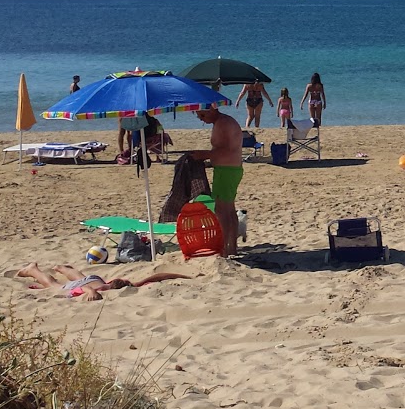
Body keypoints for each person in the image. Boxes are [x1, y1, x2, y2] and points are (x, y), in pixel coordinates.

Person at [192, 106, 245, 257]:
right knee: (229, 209)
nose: (201, 118)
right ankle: (232, 248)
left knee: (221, 210)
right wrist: (209, 159)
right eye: (198, 116)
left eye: (202, 114)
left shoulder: (223, 123)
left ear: (212, 110)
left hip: (227, 170)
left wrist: (205, 154)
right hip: (230, 168)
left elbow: (229, 150)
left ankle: (225, 249)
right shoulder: (223, 122)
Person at [14, 262, 193, 301]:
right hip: (90, 284)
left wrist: (180, 276)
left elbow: (154, 278)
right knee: (52, 284)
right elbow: (83, 287)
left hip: (96, 281)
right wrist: (91, 292)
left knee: (78, 275)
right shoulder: (118, 289)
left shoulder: (118, 286)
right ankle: (33, 270)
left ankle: (62, 268)